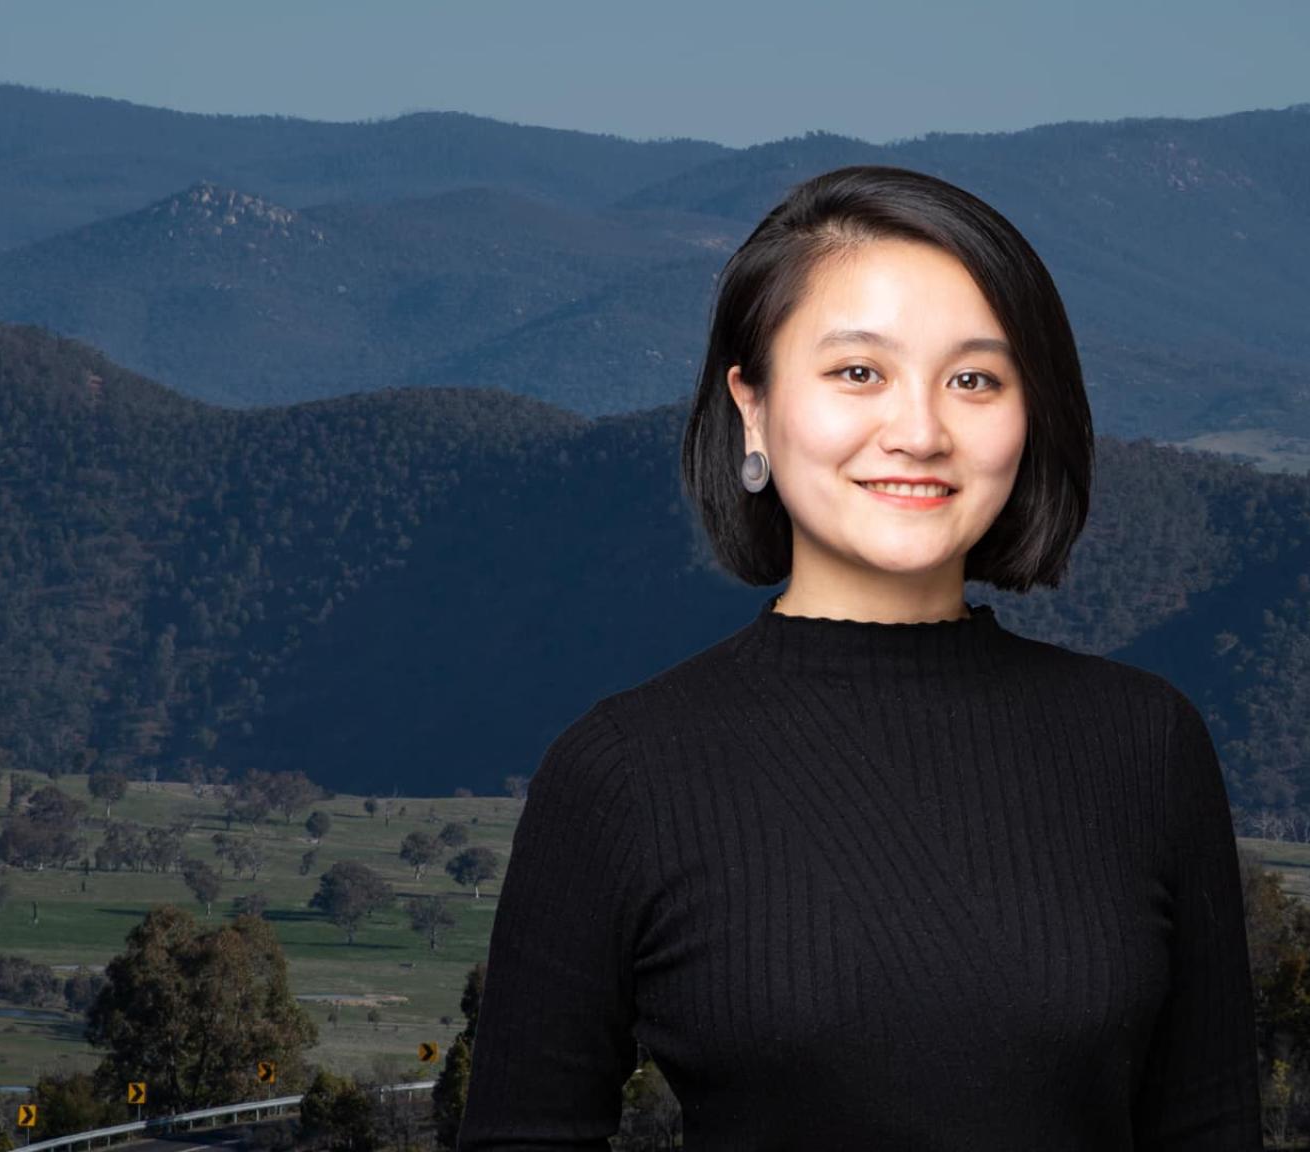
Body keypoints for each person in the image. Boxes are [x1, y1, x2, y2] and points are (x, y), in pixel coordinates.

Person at [456, 165, 1261, 1150]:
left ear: (1029, 412)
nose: (918, 432)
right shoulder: (623, 772)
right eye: (856, 372)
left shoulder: (1145, 742)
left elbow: (1210, 1130)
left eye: (973, 379)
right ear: (749, 406)